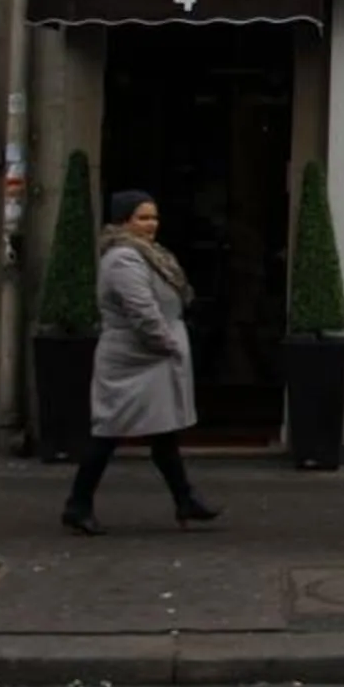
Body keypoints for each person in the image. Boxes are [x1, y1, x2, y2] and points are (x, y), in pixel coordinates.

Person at [62, 189, 222, 534]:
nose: (151, 225)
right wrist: (167, 344)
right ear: (124, 221)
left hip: (148, 360)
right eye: (143, 218)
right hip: (135, 360)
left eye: (154, 217)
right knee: (108, 433)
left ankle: (185, 498)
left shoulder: (146, 254)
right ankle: (77, 503)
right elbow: (141, 309)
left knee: (163, 433)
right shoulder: (124, 258)